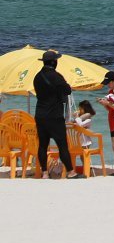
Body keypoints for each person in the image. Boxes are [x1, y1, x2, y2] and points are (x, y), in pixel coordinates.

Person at [32, 50, 79, 179]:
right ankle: (70, 172)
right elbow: (68, 90)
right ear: (54, 62)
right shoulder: (56, 76)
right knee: (62, 144)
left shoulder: (37, 77)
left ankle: (45, 173)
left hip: (40, 114)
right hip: (54, 115)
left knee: (42, 145)